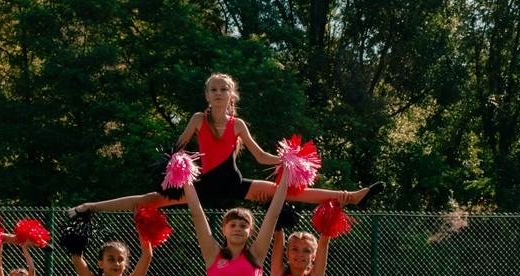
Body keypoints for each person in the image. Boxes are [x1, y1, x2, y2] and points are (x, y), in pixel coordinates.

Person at [67, 73, 384, 218]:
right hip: (201, 185)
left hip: (234, 183)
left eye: (224, 90)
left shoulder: (238, 125)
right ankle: (89, 207)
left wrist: (287, 159)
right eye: (214, 89)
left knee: (287, 190)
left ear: (231, 96)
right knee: (150, 199)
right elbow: (174, 152)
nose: (219, 94)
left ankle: (350, 197)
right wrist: (176, 166)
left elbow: (260, 157)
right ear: (207, 96)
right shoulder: (197, 119)